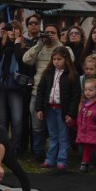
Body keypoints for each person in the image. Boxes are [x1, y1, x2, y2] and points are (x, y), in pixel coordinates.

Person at [23, 23, 72, 165]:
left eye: (53, 32)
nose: (49, 35)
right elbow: (26, 60)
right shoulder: (40, 47)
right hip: (38, 91)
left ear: (58, 34)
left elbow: (71, 59)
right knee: (37, 125)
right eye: (47, 32)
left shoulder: (63, 49)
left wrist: (56, 42)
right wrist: (39, 44)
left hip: (57, 94)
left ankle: (58, 156)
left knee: (57, 128)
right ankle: (38, 152)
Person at [35, 47, 81, 172]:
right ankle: (50, 159)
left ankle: (62, 160)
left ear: (66, 59)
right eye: (54, 59)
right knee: (53, 135)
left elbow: (75, 96)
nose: (56, 62)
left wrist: (71, 113)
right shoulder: (48, 72)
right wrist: (39, 108)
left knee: (63, 136)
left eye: (59, 59)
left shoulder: (72, 75)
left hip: (63, 110)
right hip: (49, 108)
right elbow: (41, 91)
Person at [0, 20, 27, 154]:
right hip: (1, 83)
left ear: (20, 30)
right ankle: (3, 148)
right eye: (10, 29)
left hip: (16, 85)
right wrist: (1, 35)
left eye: (16, 28)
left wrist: (17, 43)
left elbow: (20, 58)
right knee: (1, 119)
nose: (13, 31)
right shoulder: (2, 44)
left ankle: (15, 147)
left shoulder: (24, 46)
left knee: (17, 119)